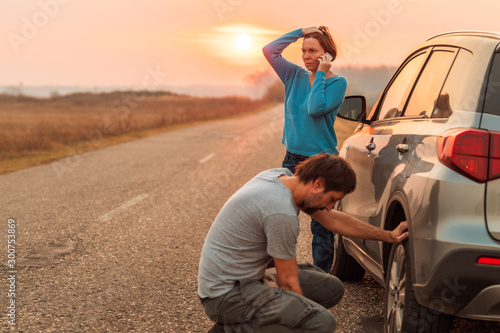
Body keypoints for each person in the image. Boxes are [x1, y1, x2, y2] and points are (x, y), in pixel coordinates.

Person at [198, 154, 409, 332]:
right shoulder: (280, 211)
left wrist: (388, 236)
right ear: (318, 184)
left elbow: (334, 219)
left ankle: (255, 320)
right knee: (320, 322)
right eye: (332, 199)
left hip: (247, 279)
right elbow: (288, 282)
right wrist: (303, 315)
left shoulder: (281, 178)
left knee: (330, 288)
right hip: (224, 294)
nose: (330, 207)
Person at [262, 26, 348, 273]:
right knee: (279, 218)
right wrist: (301, 32)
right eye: (304, 51)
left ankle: (321, 277)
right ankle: (271, 274)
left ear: (327, 55)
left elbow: (314, 107)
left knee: (321, 227)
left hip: (321, 162)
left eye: (313, 51)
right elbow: (269, 50)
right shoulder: (293, 76)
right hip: (292, 161)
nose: (306, 55)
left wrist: (320, 73)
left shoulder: (337, 83)